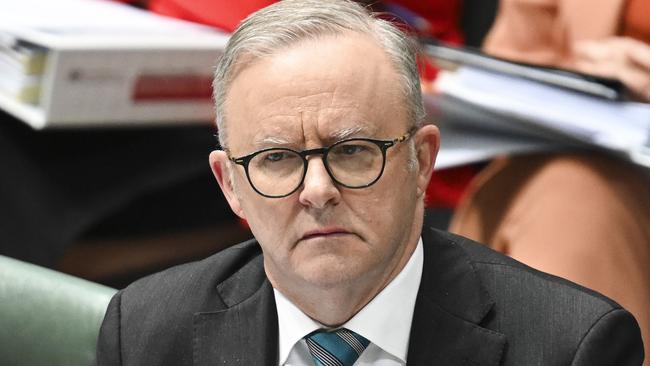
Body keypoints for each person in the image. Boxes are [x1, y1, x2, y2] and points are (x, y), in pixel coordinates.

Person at [96, 1, 644, 365]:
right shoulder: (145, 331)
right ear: (230, 184)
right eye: (277, 159)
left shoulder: (570, 346)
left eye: (353, 152)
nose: (316, 190)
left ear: (422, 160)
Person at [449, 0, 650, 358]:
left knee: (575, 199)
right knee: (574, 194)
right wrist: (584, 79)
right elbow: (513, 66)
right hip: (581, 167)